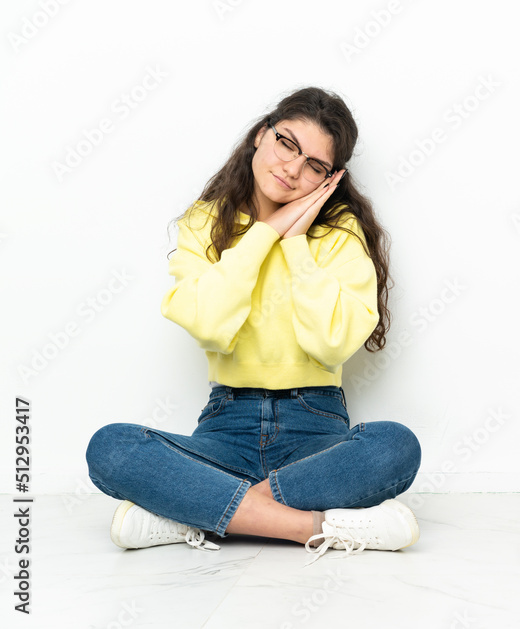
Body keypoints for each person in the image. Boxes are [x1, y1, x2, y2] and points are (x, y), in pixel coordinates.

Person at [85, 86, 421, 565]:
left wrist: (297, 243)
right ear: (261, 135)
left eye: (315, 166)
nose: (292, 169)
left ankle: (193, 511)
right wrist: (266, 232)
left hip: (316, 427)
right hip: (226, 427)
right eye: (287, 144)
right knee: (111, 448)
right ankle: (314, 527)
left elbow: (332, 345)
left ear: (331, 178)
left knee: (394, 446)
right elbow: (206, 323)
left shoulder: (341, 235)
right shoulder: (205, 224)